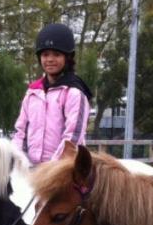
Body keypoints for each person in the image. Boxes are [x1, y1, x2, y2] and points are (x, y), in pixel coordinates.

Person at [11, 23, 93, 166]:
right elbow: (21, 132)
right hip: (31, 168)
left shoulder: (74, 93)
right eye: (45, 54)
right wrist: (19, 161)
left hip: (63, 170)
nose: (49, 59)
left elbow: (72, 138)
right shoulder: (32, 92)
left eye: (56, 54)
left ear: (68, 57)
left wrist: (50, 170)